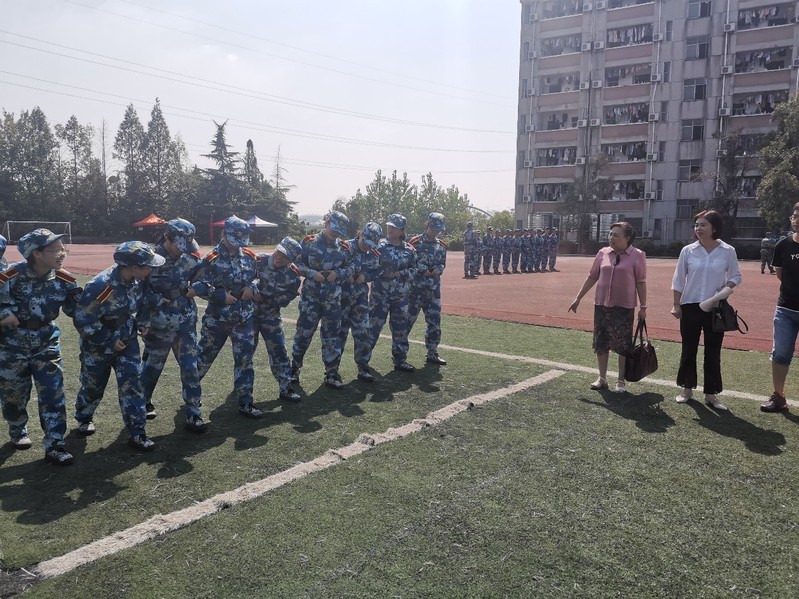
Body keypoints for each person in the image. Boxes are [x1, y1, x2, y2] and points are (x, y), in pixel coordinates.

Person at [73, 241, 165, 451]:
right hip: (98, 346)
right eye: (147, 266)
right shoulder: (101, 286)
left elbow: (142, 303)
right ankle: (84, 416)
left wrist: (142, 323)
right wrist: (109, 340)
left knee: (132, 384)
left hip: (128, 341)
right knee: (93, 386)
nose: (150, 270)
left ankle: (137, 432)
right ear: (133, 267)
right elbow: (83, 320)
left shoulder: (137, 281)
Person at [0, 229, 80, 465]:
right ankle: (17, 429)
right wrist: (4, 314)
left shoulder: (66, 280)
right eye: (55, 250)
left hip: (46, 344)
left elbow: (79, 311)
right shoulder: (10, 275)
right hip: (12, 347)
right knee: (14, 396)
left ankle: (55, 444)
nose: (62, 254)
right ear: (36, 253)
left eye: (63, 249)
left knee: (53, 394)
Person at [140, 218, 207, 433]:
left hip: (185, 320)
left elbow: (205, 278)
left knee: (190, 367)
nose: (182, 250)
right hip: (158, 322)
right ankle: (142, 404)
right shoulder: (149, 259)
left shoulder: (190, 256)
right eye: (179, 245)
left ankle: (194, 411)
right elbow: (138, 290)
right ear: (167, 238)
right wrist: (146, 315)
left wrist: (197, 288)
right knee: (152, 368)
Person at [671, 210, 742, 410]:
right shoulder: (688, 251)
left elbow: (736, 276)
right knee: (688, 348)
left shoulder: (727, 251)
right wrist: (676, 304)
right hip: (690, 306)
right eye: (696, 225)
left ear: (714, 228)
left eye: (703, 225)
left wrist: (725, 289)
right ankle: (687, 389)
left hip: (715, 307)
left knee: (713, 351)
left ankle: (711, 394)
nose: (698, 228)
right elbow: (678, 279)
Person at [193, 216, 261, 418]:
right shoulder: (211, 259)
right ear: (223, 234)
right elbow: (199, 286)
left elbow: (256, 277)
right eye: (233, 240)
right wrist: (220, 296)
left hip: (244, 318)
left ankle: (246, 403)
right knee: (202, 359)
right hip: (218, 320)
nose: (236, 244)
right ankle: (191, 398)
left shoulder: (249, 256)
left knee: (245, 362)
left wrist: (252, 287)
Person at [568, 222, 647, 393]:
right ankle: (602, 378)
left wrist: (643, 307)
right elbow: (592, 277)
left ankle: (620, 381)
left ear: (627, 238)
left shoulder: (637, 255)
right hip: (602, 305)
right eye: (611, 234)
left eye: (616, 235)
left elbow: (641, 282)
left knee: (623, 344)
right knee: (601, 342)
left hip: (624, 307)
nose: (611, 238)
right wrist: (578, 298)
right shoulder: (602, 253)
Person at [291, 211, 353, 390]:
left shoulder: (344, 248)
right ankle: (294, 370)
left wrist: (338, 273)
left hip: (333, 301)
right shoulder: (308, 242)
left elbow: (352, 267)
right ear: (326, 224)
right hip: (311, 300)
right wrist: (312, 273)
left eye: (339, 231)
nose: (335, 234)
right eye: (333, 229)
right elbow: (296, 264)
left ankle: (331, 373)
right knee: (303, 335)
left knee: (332, 338)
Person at [253, 236, 303, 402]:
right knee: (245, 353)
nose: (280, 257)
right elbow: (241, 281)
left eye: (286, 256)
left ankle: (286, 388)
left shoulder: (293, 275)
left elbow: (287, 298)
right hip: (249, 315)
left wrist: (266, 298)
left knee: (279, 351)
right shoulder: (257, 261)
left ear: (291, 260)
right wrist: (252, 290)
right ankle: (242, 391)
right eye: (279, 252)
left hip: (271, 315)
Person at [366, 214, 417, 372]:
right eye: (389, 226)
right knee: (373, 327)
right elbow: (370, 266)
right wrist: (383, 272)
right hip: (380, 296)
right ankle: (363, 362)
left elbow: (415, 269)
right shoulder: (379, 247)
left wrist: (401, 273)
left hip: (400, 297)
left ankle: (400, 360)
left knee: (400, 328)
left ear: (402, 230)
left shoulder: (409, 250)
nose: (390, 229)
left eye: (394, 227)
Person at [761, 204, 799, 412]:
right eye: (794, 216)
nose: (796, 220)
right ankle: (779, 397)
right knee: (781, 353)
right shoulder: (783, 245)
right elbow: (780, 275)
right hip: (786, 310)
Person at [339, 222, 383, 383]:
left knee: (363, 333)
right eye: (365, 242)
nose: (366, 247)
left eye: (371, 244)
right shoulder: (345, 248)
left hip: (360, 299)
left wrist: (366, 277)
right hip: (341, 299)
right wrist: (346, 275)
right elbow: (333, 268)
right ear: (361, 234)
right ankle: (332, 371)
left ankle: (363, 366)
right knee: (339, 335)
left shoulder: (374, 253)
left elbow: (376, 271)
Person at [408, 212, 448, 366]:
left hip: (433, 291)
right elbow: (409, 262)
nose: (436, 231)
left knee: (434, 322)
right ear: (428, 225)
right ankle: (399, 354)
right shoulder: (415, 242)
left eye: (439, 229)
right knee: (407, 321)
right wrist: (422, 269)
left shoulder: (442, 245)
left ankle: (432, 352)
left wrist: (439, 269)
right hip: (416, 290)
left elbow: (442, 263)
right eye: (434, 228)